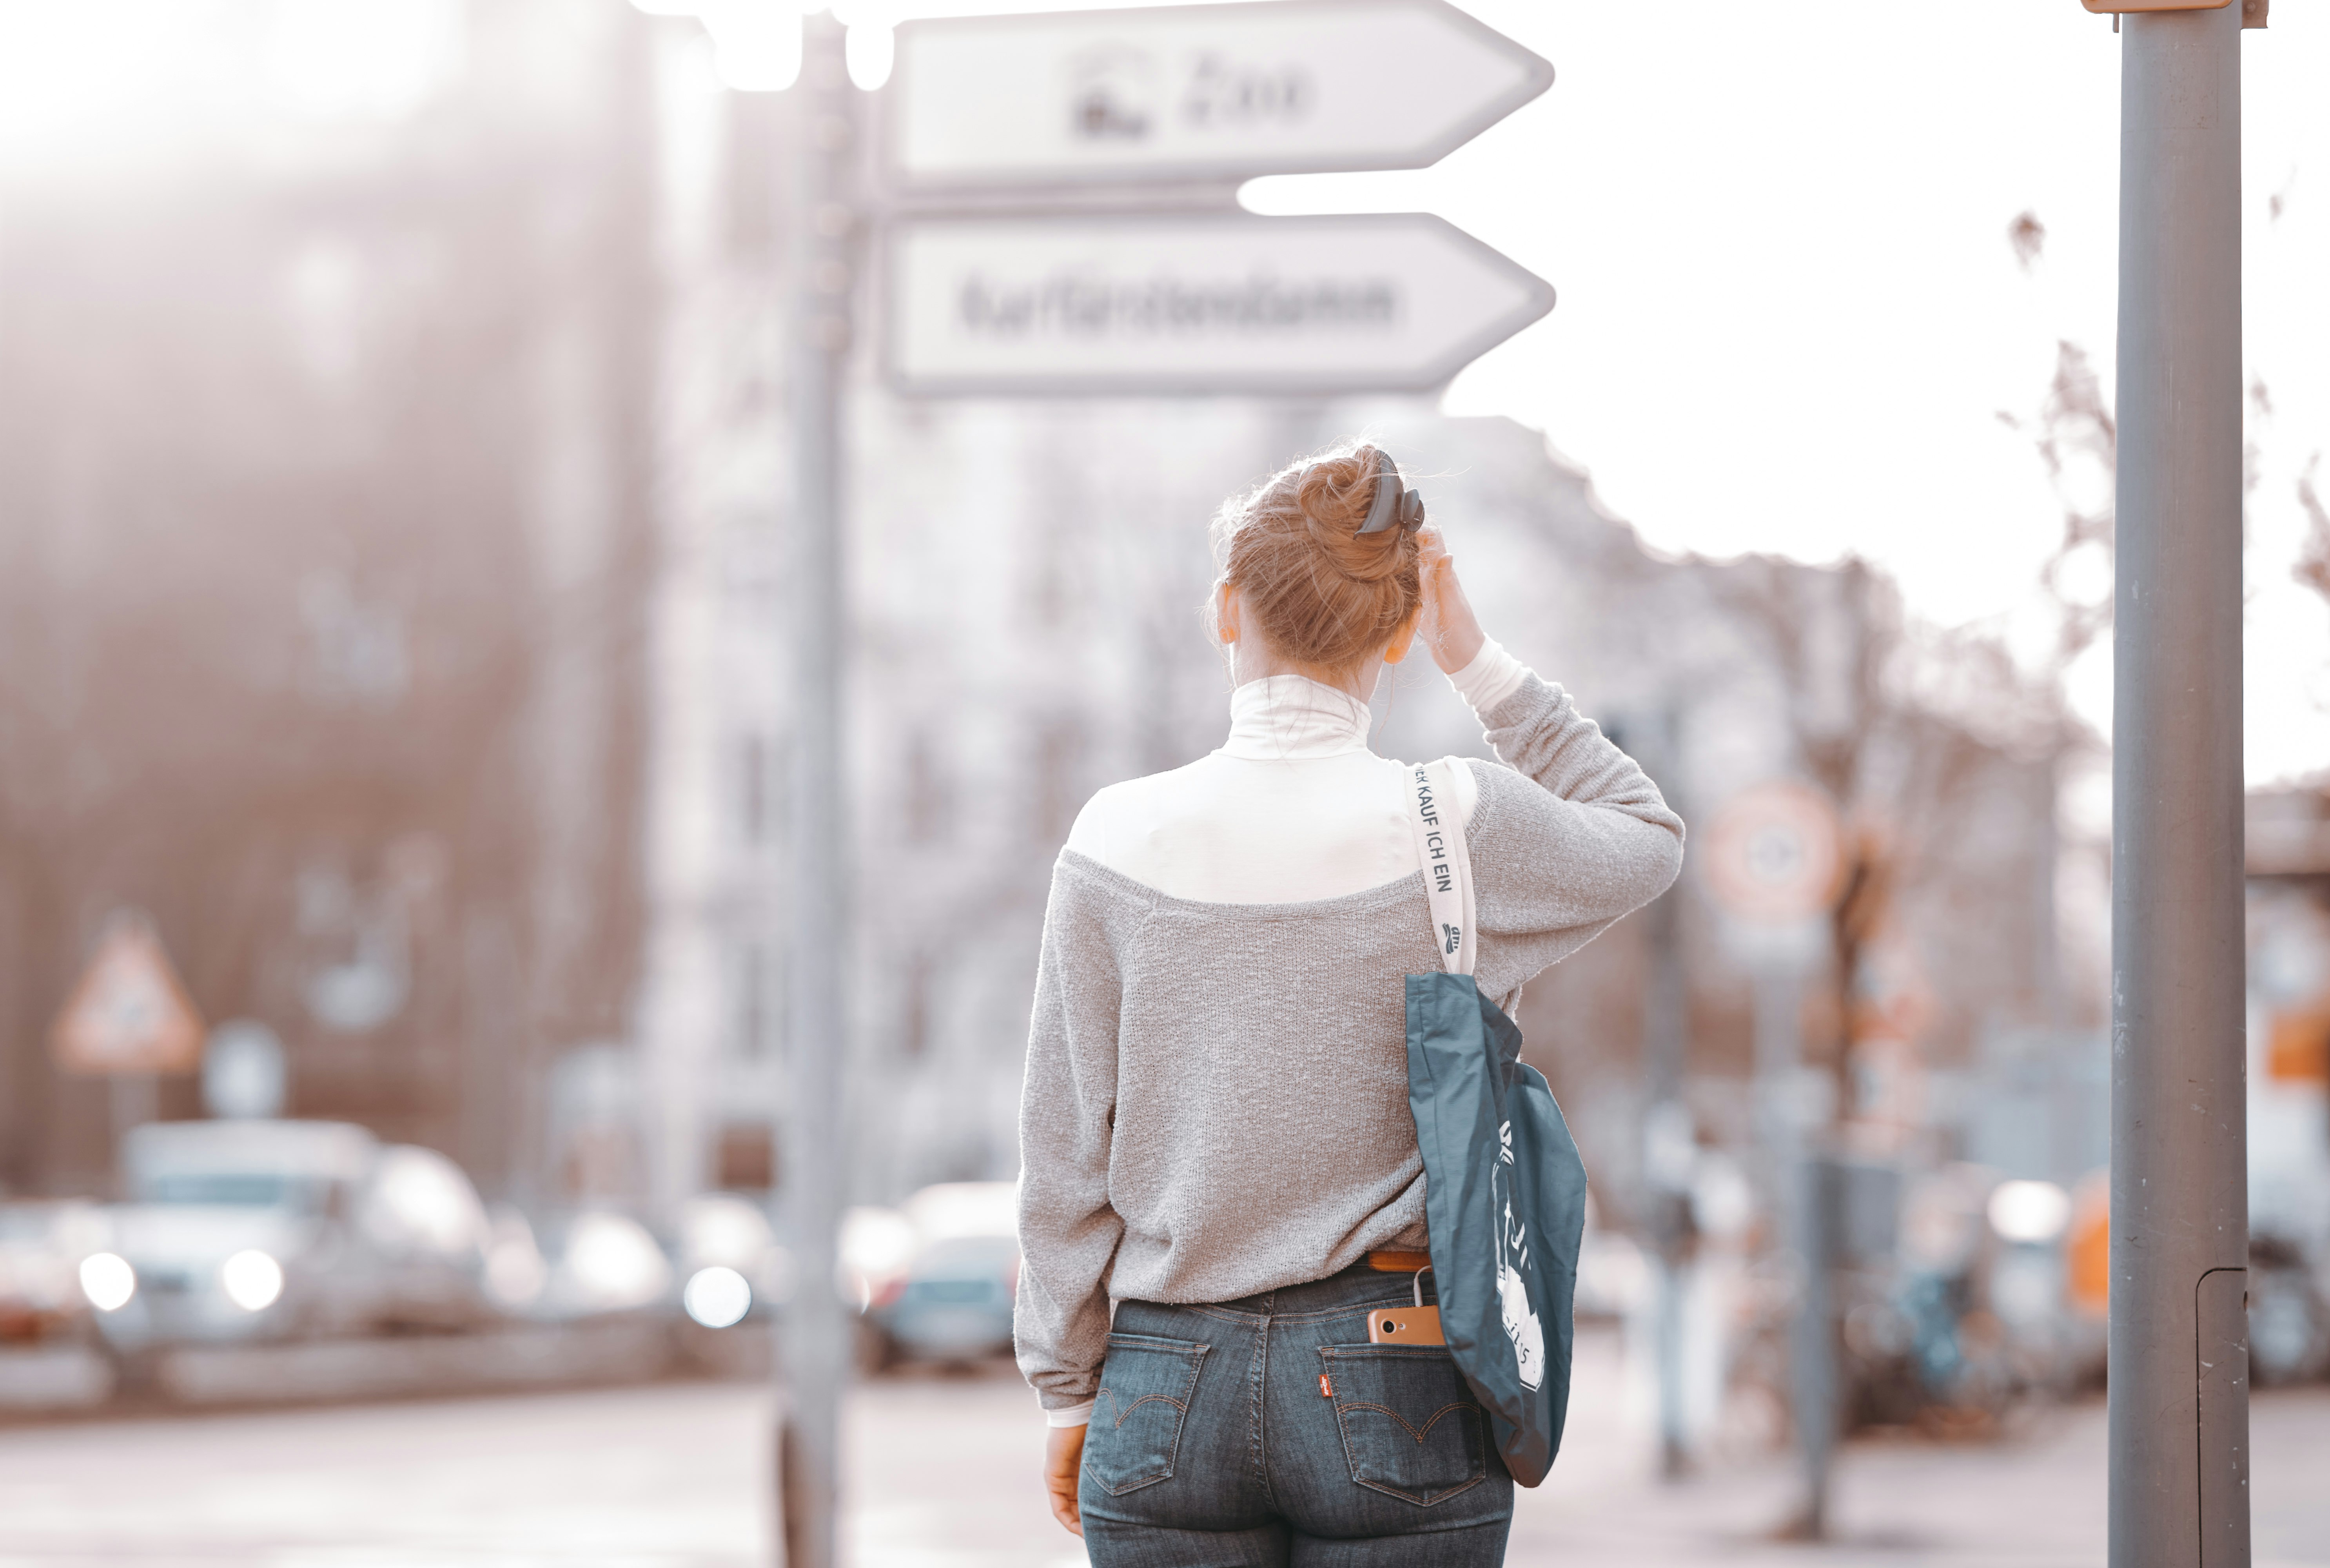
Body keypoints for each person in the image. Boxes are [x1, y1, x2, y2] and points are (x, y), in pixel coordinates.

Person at [1013, 443, 1685, 1565]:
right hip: (1399, 1369)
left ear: (1230, 611)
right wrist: (1479, 665)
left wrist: (1065, 1394)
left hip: (1163, 1384)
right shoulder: (1456, 827)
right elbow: (1645, 833)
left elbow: (1065, 1160)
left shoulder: (1113, 839)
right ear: (1397, 630)